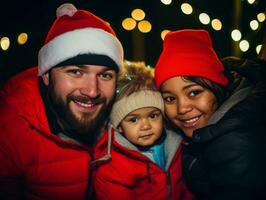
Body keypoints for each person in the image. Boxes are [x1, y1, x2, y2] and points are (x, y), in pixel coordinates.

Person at [0, 3, 123, 200]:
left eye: (105, 75)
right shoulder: (10, 130)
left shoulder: (131, 117)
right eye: (76, 72)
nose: (92, 91)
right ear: (47, 75)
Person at [154, 29, 266, 200]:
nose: (182, 108)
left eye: (194, 92)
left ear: (217, 88)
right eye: (169, 98)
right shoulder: (210, 127)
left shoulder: (235, 143)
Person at [92, 61, 193, 200]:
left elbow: (185, 187)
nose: (146, 126)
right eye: (134, 120)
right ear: (119, 126)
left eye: (153, 116)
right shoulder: (113, 165)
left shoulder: (175, 146)